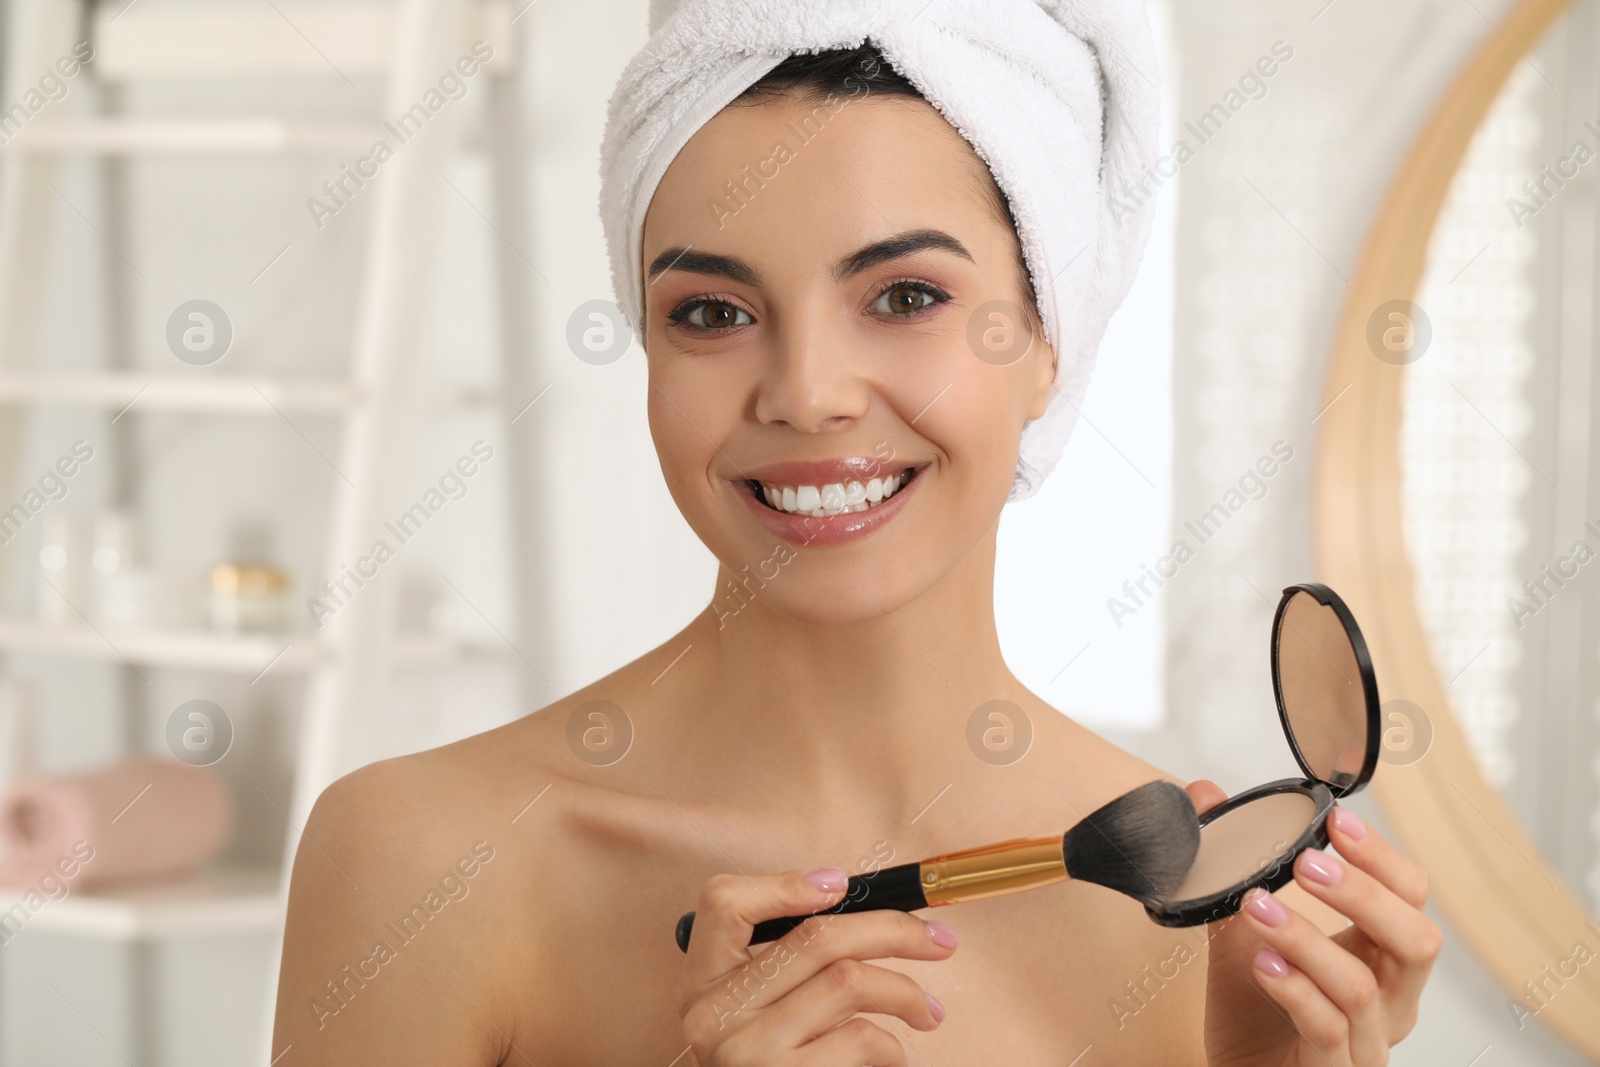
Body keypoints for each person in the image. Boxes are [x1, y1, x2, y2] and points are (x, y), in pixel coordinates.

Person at [273, 18, 1440, 1066]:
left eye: (903, 296)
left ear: (1048, 341)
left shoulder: (1195, 910)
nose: (809, 393)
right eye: (712, 313)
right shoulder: (425, 863)